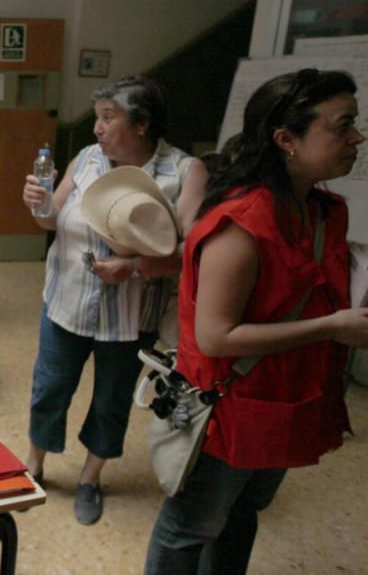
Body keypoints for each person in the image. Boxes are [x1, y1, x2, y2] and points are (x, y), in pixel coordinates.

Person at [144, 69, 368, 574]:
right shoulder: (242, 222)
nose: (357, 138)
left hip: (287, 397)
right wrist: (332, 327)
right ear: (286, 140)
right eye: (342, 126)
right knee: (189, 528)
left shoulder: (321, 210)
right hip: (232, 405)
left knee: (243, 511)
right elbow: (216, 337)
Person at [21, 75, 209, 525]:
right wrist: (38, 203)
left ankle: (90, 478)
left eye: (109, 118)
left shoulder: (184, 172)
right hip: (65, 300)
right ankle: (34, 467)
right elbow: (52, 219)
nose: (97, 129)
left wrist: (137, 266)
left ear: (142, 124)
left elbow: (199, 252)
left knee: (110, 400)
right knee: (49, 388)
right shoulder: (87, 159)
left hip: (129, 315)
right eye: (98, 118)